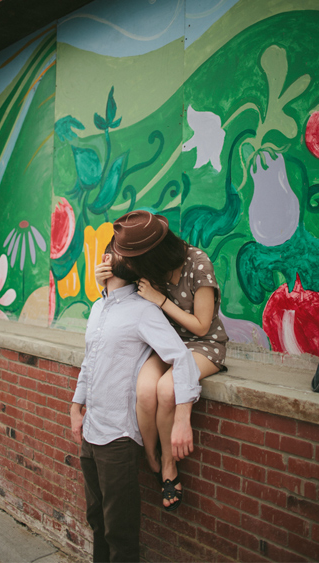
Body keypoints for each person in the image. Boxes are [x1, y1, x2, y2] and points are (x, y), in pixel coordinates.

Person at [70, 238, 201, 562]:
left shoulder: (144, 311)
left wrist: (183, 415)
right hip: (90, 431)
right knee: (97, 522)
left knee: (120, 533)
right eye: (118, 250)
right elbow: (89, 360)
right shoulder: (99, 307)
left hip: (118, 437)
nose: (122, 255)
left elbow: (182, 359)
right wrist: (75, 407)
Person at [95, 210, 227, 511]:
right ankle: (152, 457)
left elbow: (203, 326)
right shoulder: (149, 266)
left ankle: (169, 466)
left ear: (151, 254)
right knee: (144, 389)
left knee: (168, 389)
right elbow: (117, 297)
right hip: (167, 343)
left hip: (204, 345)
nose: (128, 263)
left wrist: (160, 300)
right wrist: (100, 281)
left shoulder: (198, 263)